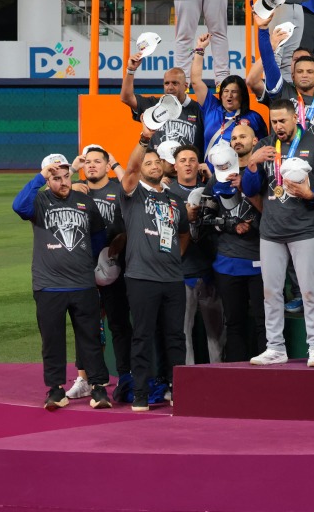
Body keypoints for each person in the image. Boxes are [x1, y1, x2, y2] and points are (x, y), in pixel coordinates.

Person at [252, 22, 314, 314]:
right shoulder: (283, 98)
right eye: (299, 71)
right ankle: (297, 292)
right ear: (292, 75)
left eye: (310, 72)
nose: (304, 75)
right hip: (285, 177)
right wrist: (266, 39)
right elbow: (269, 68)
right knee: (292, 238)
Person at [240, 98, 314, 368]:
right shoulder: (263, 146)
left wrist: (311, 194)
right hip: (271, 231)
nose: (278, 126)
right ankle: (275, 347)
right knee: (271, 292)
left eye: (283, 120)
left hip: (305, 229)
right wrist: (251, 163)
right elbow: (249, 190)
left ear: (296, 118)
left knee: (309, 291)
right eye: (273, 121)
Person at [12, 155, 112, 411]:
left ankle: (99, 388)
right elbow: (18, 206)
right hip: (49, 286)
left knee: (90, 338)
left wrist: (84, 261)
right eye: (56, 177)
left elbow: (99, 236)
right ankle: (55, 390)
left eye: (66, 175)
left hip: (83, 284)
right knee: (52, 340)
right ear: (47, 179)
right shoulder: (39, 201)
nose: (63, 181)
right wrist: (40, 178)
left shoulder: (84, 201)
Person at [119, 123, 191, 411]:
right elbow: (131, 169)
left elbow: (184, 234)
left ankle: (177, 388)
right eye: (147, 163)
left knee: (175, 336)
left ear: (163, 165)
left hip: (172, 278)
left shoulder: (176, 200)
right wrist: (143, 140)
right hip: (141, 277)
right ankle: (140, 391)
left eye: (155, 161)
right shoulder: (134, 194)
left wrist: (175, 256)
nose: (151, 166)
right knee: (143, 336)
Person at [68, 146, 133, 402]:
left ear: (108, 165)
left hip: (116, 268)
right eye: (88, 162)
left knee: (118, 324)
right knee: (86, 326)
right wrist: (72, 176)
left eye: (98, 161)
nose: (92, 165)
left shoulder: (119, 190)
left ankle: (125, 375)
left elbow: (134, 217)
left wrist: (118, 246)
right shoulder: (75, 191)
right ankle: (85, 379)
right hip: (82, 270)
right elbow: (42, 200)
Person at [205, 126, 265, 363]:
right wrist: (231, 224)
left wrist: (247, 189)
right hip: (228, 263)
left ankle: (269, 376)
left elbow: (272, 215)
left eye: (242, 136)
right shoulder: (216, 177)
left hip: (262, 260)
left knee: (264, 322)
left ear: (255, 140)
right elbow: (206, 220)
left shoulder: (265, 174)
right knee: (234, 322)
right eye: (233, 138)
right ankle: (236, 375)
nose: (237, 141)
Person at [165, 145, 225, 365]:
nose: (188, 164)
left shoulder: (209, 190)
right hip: (182, 272)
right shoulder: (167, 195)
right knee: (183, 334)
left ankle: (220, 377)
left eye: (192, 160)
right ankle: (186, 384)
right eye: (183, 160)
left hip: (210, 271)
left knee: (217, 334)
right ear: (175, 166)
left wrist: (211, 181)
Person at [190, 33, 266, 154]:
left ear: (242, 96)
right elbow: (195, 81)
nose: (229, 95)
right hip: (211, 172)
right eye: (225, 91)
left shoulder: (254, 118)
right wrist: (200, 49)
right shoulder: (211, 108)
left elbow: (262, 148)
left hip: (240, 171)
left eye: (234, 92)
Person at [120, 59, 205, 153]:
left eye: (175, 83)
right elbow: (126, 98)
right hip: (157, 166)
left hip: (186, 166)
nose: (170, 87)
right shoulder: (153, 104)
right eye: (167, 83)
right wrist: (130, 70)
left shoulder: (199, 110)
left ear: (185, 86)